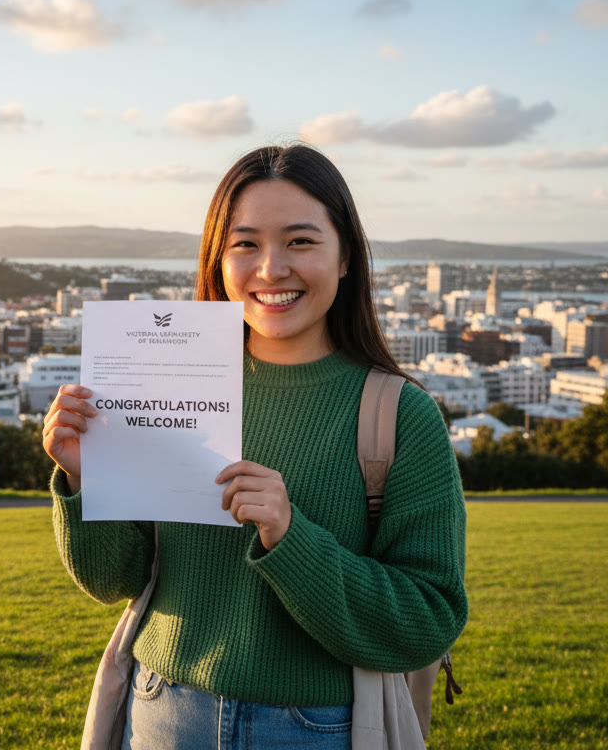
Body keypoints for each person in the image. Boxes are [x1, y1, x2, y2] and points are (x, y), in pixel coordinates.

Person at [42, 144, 467, 749]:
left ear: (345, 256)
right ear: (217, 259)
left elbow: (428, 619)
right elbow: (115, 578)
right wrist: (87, 483)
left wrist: (293, 539)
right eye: (245, 244)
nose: (270, 269)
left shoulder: (398, 414)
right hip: (164, 710)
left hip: (318, 728)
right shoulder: (165, 382)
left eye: (300, 241)